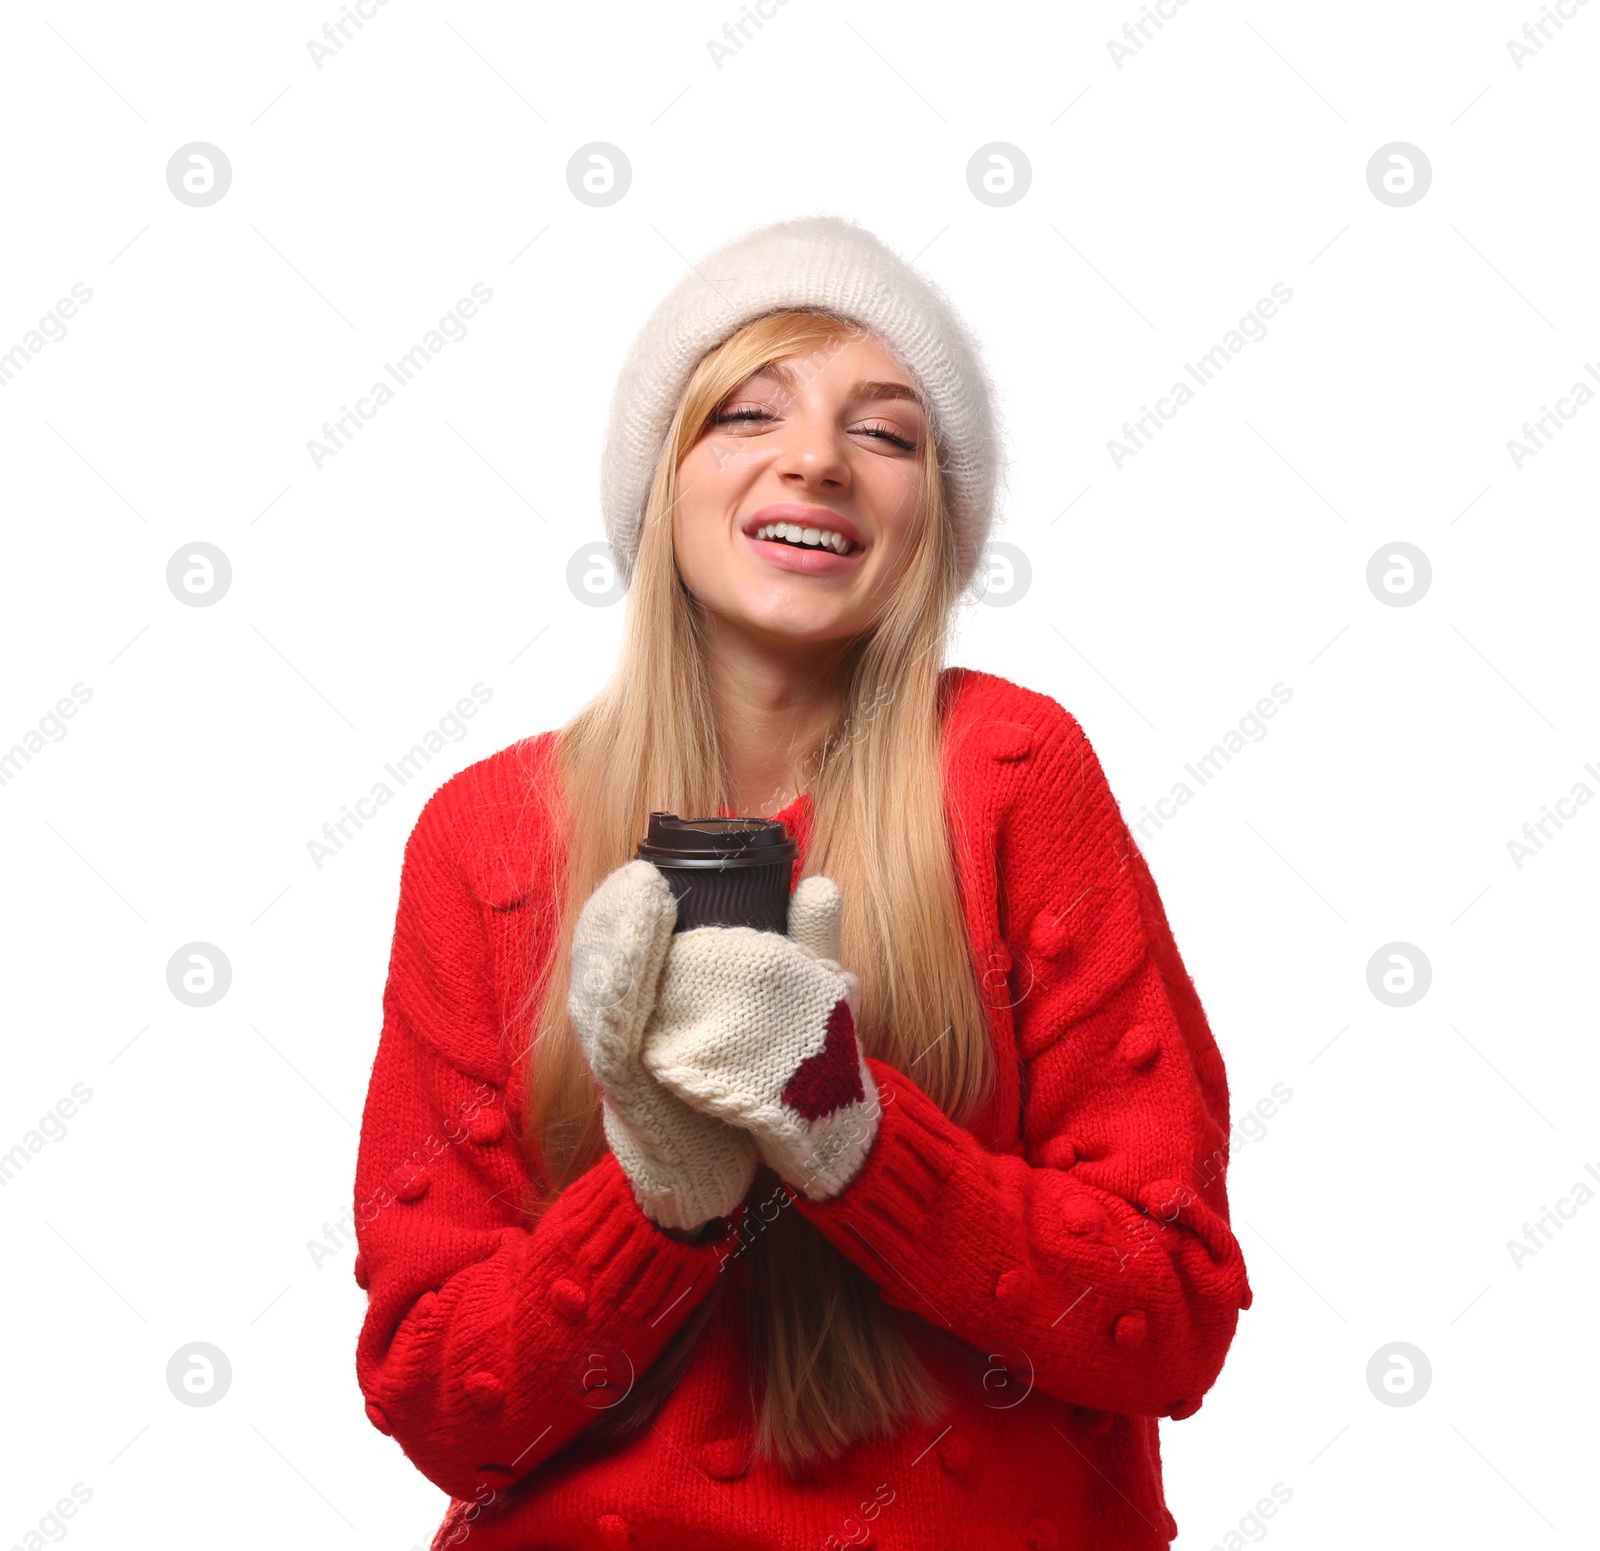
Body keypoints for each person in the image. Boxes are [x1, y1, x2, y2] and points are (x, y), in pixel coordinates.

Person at [352, 214, 1252, 1551]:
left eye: (886, 434)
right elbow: (442, 1405)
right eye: (746, 414)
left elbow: (1167, 1325)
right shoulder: (487, 834)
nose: (818, 458)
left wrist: (854, 1133)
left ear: (933, 525)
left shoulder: (1013, 774)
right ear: (659, 485)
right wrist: (657, 1189)